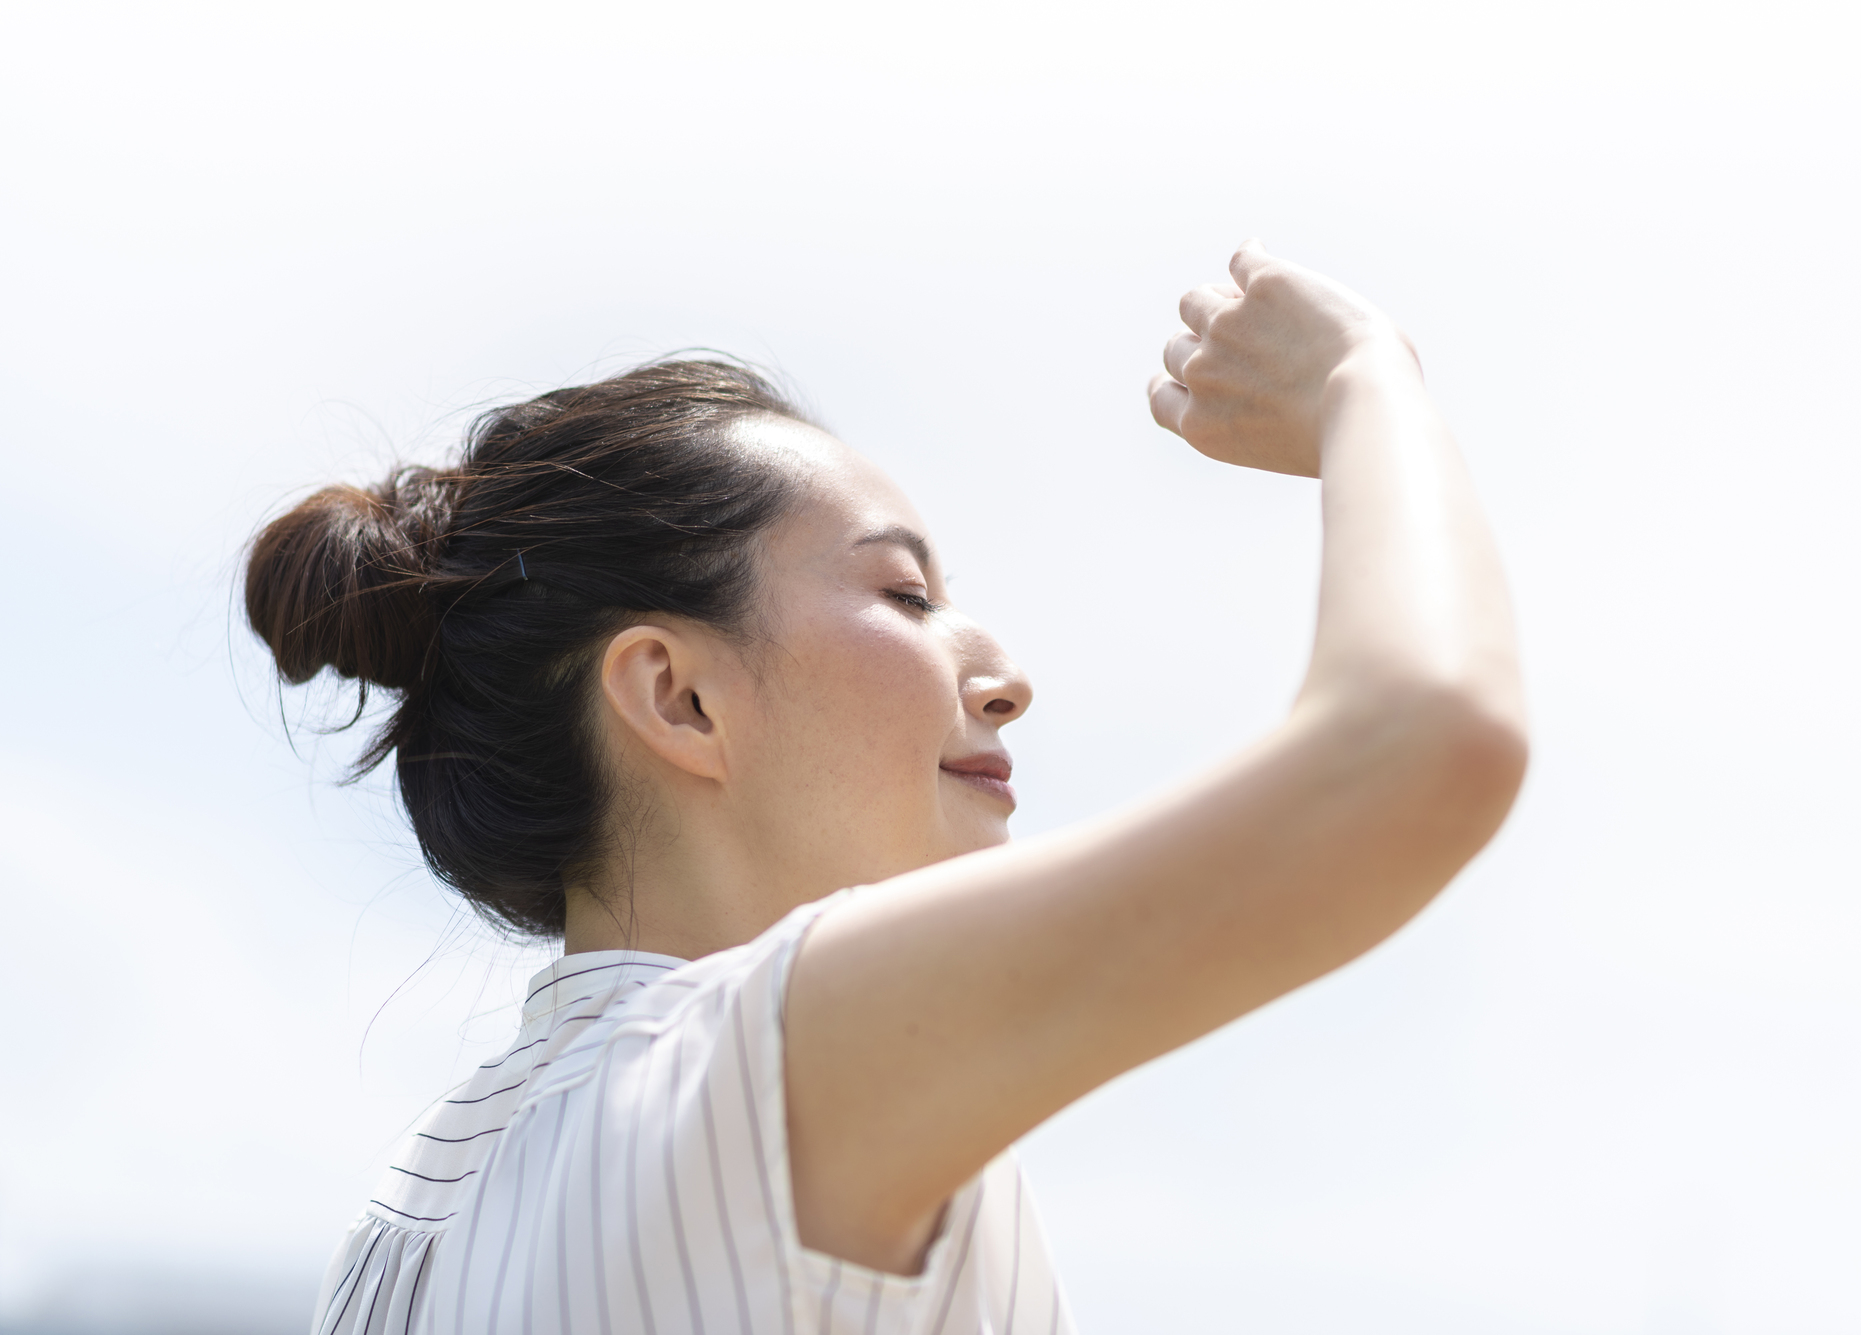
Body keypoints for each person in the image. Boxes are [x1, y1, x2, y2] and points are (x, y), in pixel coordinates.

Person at [249, 241, 1526, 1335]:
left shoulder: (397, 1241)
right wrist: (1367, 383)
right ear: (676, 698)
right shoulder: (751, 1071)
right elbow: (1423, 741)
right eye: (905, 596)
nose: (1004, 675)